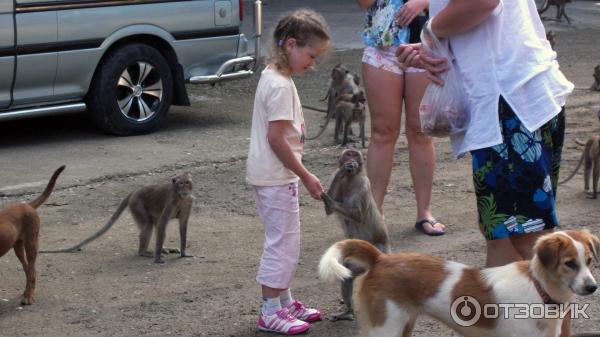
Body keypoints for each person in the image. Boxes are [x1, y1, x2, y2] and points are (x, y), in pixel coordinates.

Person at [396, 0, 573, 335]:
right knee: (501, 237)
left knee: (536, 246)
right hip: (520, 94)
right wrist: (431, 46)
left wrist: (431, 29)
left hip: (507, 105)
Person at [245, 9, 330, 335]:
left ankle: (284, 301)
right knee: (283, 244)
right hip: (277, 176)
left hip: (271, 175)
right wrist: (306, 175)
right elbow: (277, 139)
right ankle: (270, 311)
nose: (313, 63)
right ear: (291, 45)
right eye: (311, 55)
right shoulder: (280, 86)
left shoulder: (274, 76)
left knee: (284, 240)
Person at [357, 0, 446, 236]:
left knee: (421, 132)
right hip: (383, 47)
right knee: (382, 132)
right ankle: (375, 213)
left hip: (426, 45)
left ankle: (424, 212)